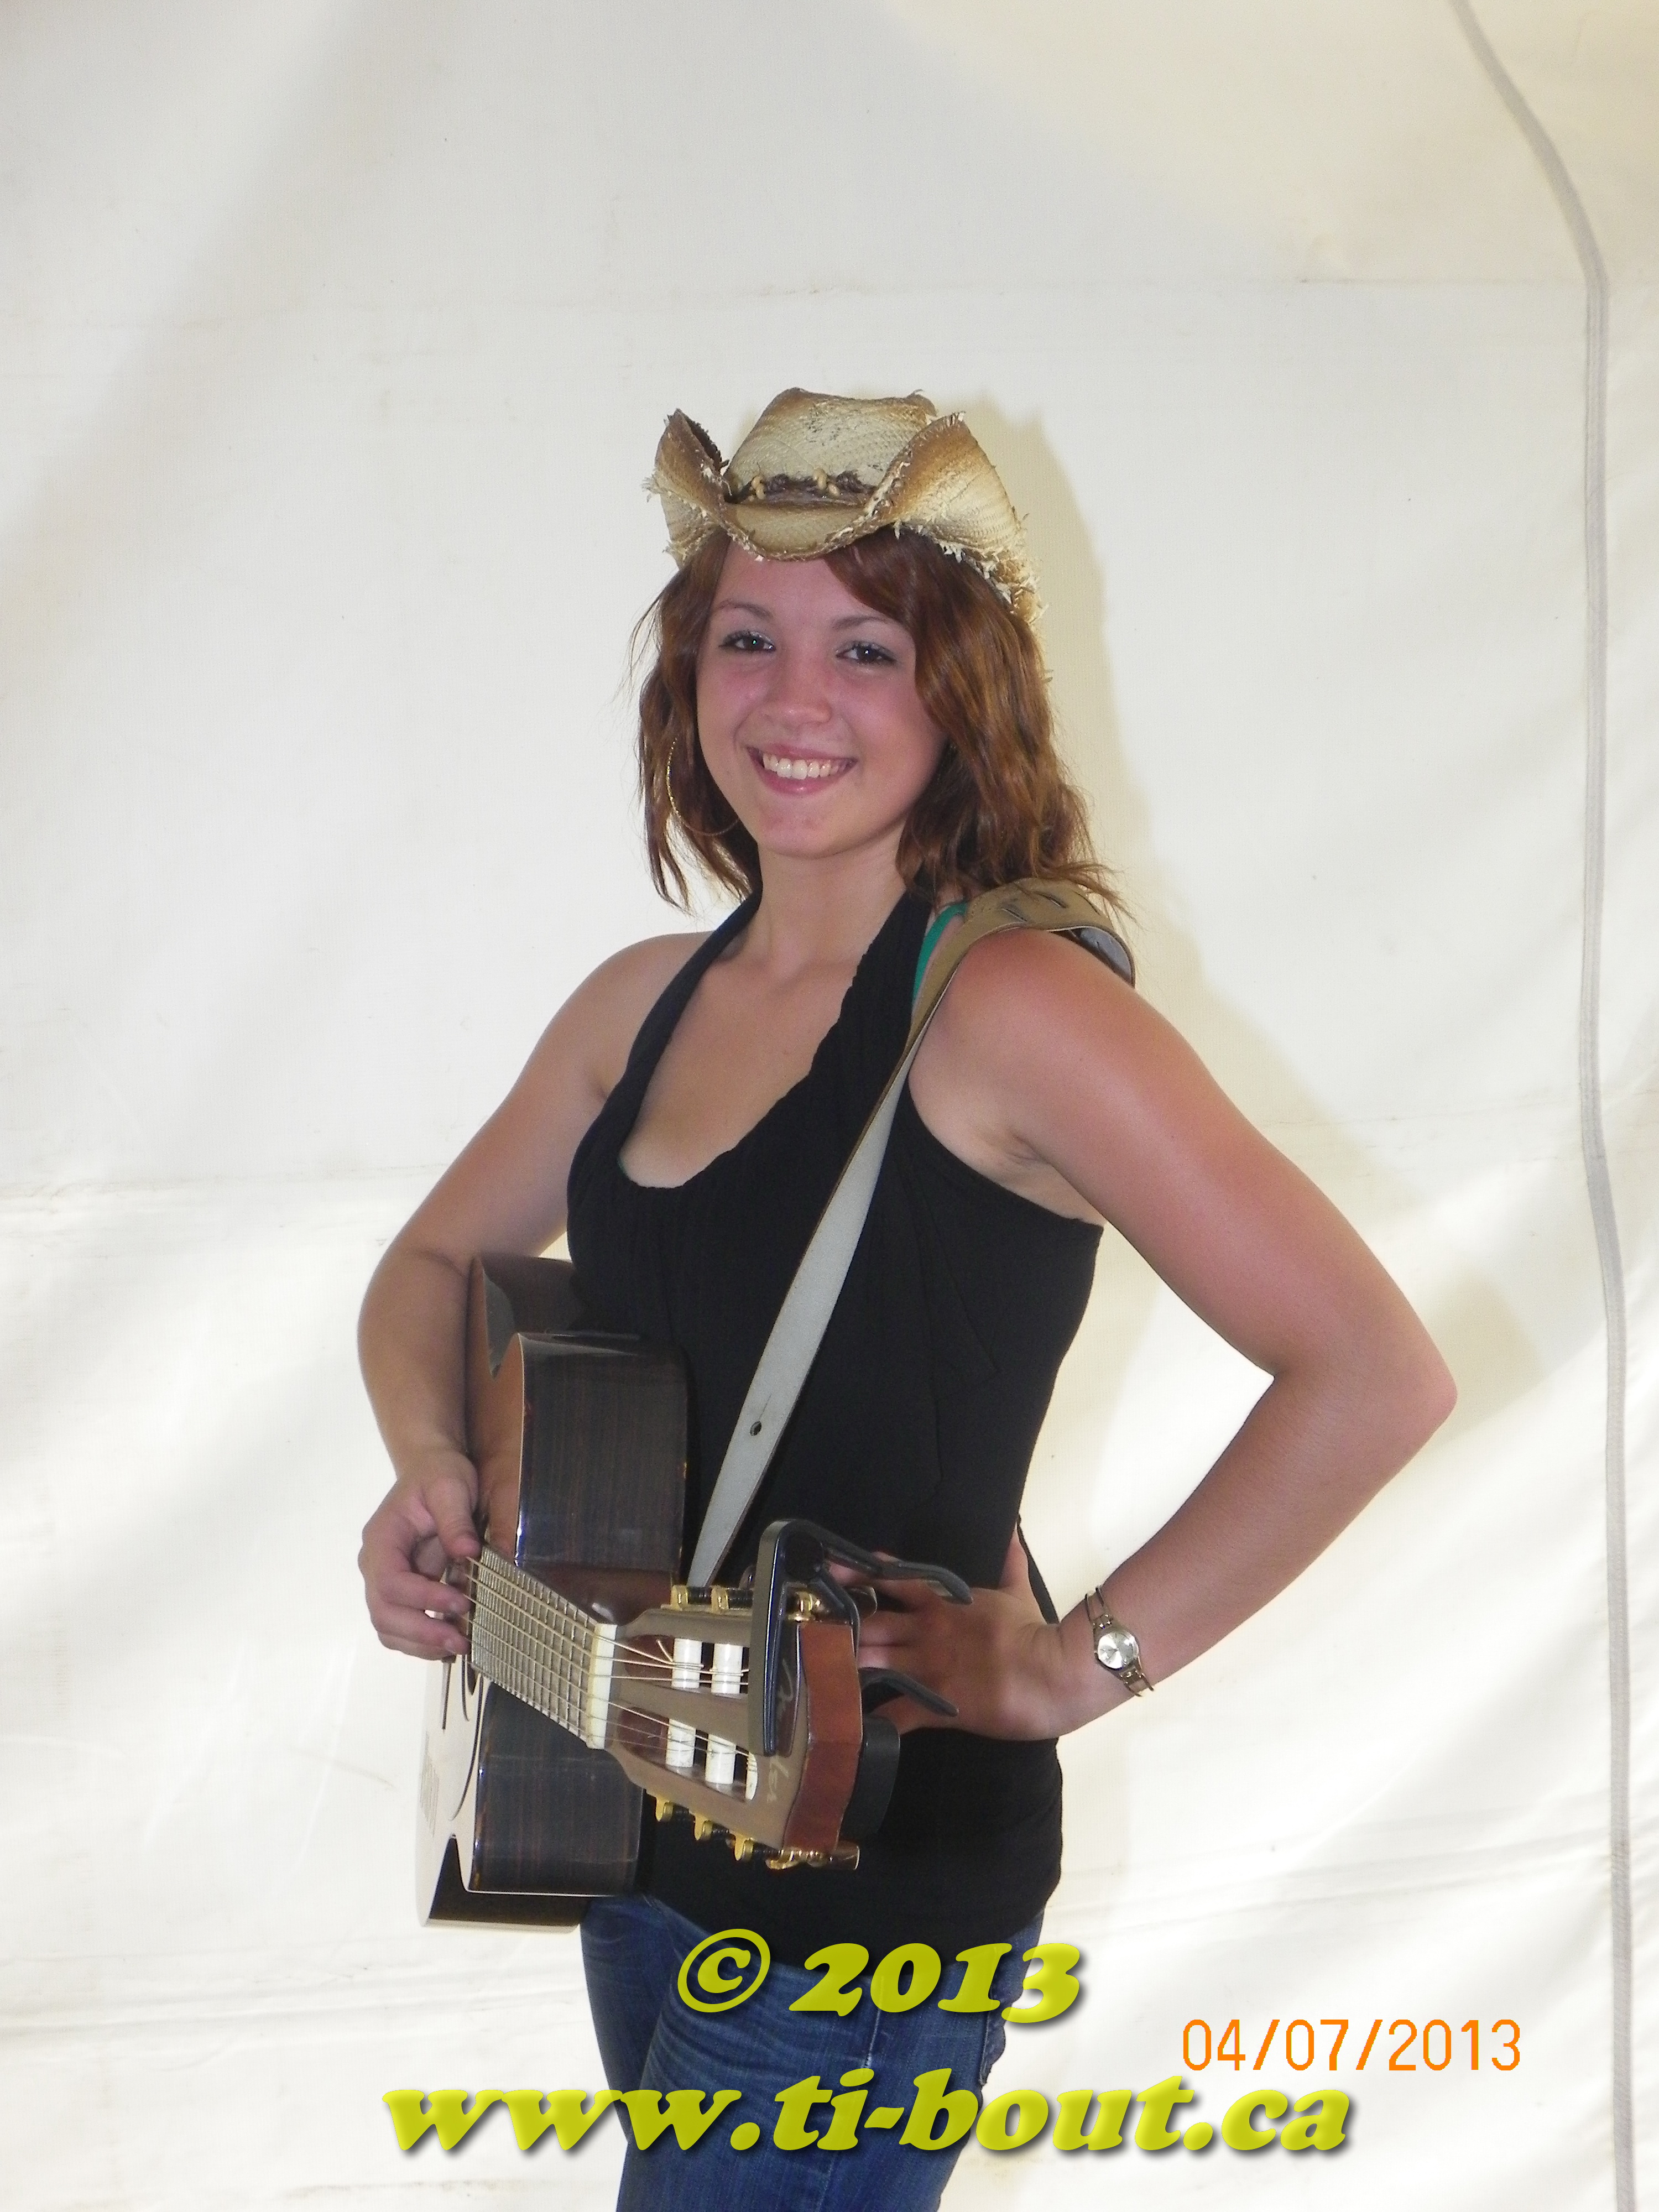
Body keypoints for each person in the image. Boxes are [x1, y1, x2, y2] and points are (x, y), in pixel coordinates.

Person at [357, 388, 1455, 2208]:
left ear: (965, 689)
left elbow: (1372, 1373)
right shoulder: (641, 1004)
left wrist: (1075, 1666)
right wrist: (434, 1468)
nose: (794, 700)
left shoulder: (1014, 1011)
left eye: (866, 649)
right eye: (748, 639)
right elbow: (426, 1271)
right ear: (685, 674)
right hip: (629, 1830)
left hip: (862, 1896)